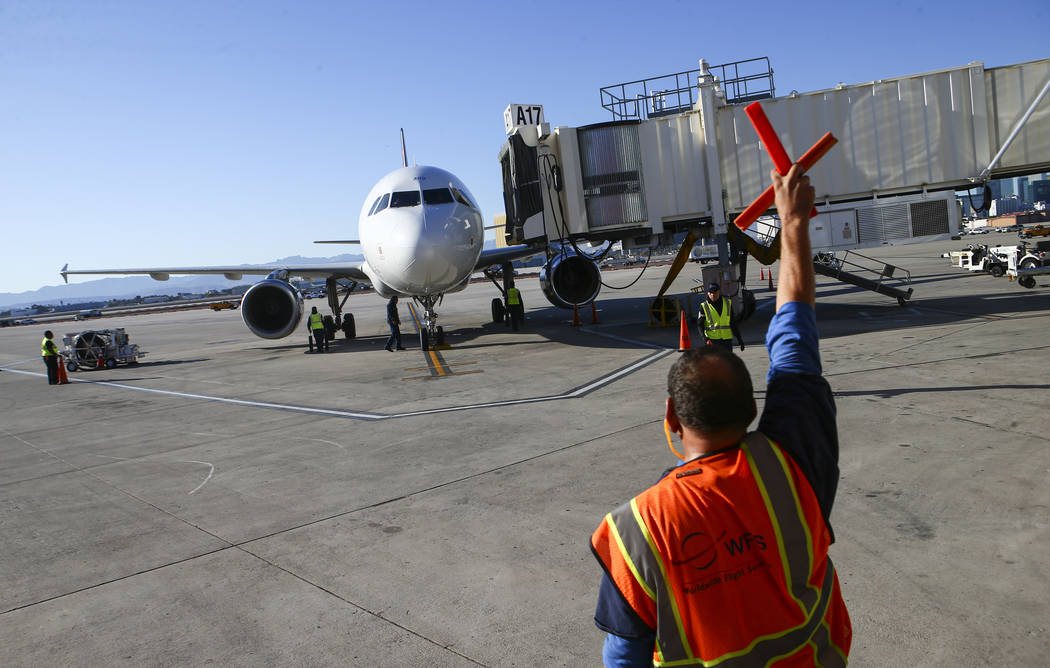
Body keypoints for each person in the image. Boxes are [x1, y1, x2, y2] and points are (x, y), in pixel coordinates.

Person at [591, 164, 851, 667]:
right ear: (755, 408)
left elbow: (624, 658)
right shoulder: (793, 465)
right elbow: (795, 338)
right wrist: (793, 224)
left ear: (671, 416)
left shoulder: (637, 529)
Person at [698, 282, 744, 351]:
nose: (713, 294)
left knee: (728, 361)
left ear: (719, 292)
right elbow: (700, 325)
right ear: (708, 293)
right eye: (711, 293)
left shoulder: (728, 303)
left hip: (726, 340)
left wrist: (739, 339)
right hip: (712, 340)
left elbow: (733, 323)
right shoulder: (704, 306)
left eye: (715, 292)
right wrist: (705, 339)